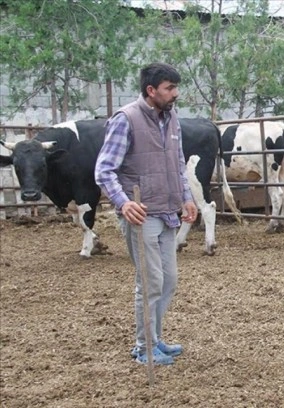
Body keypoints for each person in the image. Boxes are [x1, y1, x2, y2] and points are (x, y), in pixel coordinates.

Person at [95, 62, 198, 366]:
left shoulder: (172, 119)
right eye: (169, 88)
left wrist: (187, 197)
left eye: (176, 87)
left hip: (168, 211)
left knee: (168, 280)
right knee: (151, 280)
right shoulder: (125, 120)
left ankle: (155, 339)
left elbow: (178, 164)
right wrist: (123, 202)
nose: (175, 93)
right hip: (142, 213)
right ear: (151, 90)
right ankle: (144, 347)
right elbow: (104, 170)